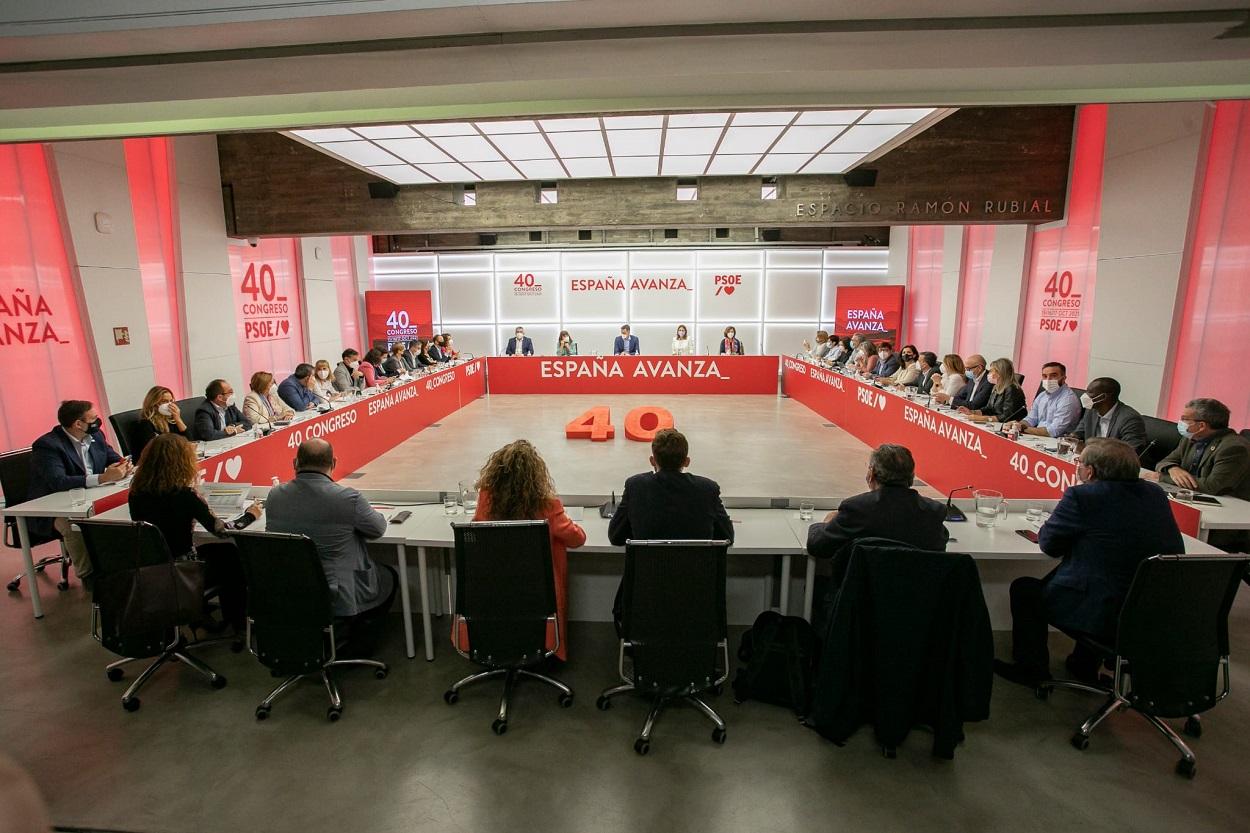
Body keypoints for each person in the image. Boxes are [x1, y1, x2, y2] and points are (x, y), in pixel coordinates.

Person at [994, 438, 1184, 687]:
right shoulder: (1155, 494)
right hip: (1151, 607)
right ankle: (1083, 665)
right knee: (1101, 578)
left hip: (1105, 608)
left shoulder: (1082, 496)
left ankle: (1031, 669)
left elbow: (1049, 545)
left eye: (1079, 462)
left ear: (1089, 471)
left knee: (1025, 589)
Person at [266, 439, 397, 658]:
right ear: (333, 463)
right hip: (336, 592)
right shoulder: (348, 498)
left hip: (291, 588)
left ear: (295, 463)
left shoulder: (274, 496)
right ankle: (356, 645)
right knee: (389, 576)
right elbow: (378, 528)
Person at [462, 440, 586, 661]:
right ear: (536, 475)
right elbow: (577, 539)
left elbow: (478, 527)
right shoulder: (549, 506)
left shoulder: (486, 500)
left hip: (495, 589)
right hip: (537, 593)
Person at [127, 433, 260, 632]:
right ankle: (237, 621)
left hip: (150, 569)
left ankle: (199, 610)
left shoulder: (135, 494)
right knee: (231, 556)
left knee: (219, 553)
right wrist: (250, 515)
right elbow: (223, 531)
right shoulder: (185, 496)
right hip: (183, 568)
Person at [607, 428, 734, 630]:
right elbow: (727, 537)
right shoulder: (708, 489)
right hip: (697, 601)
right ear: (687, 461)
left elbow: (615, 536)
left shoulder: (636, 486)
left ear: (652, 460)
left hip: (645, 600)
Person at [806, 444, 948, 588]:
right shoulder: (933, 511)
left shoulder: (856, 508)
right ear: (911, 476)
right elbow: (940, 545)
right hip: (915, 604)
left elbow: (817, 545)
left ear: (871, 473)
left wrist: (828, 522)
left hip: (859, 602)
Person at [28, 400, 133, 588]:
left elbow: (113, 458)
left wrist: (123, 466)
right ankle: (89, 578)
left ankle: (119, 566)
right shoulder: (48, 446)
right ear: (78, 424)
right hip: (53, 508)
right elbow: (58, 481)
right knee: (71, 524)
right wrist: (102, 478)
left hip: (90, 497)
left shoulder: (96, 436)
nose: (98, 422)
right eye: (94, 419)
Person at [1153, 398, 1250, 552]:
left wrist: (1163, 477)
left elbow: (1213, 486)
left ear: (1201, 425)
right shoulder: (1191, 439)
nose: (1180, 422)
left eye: (1185, 419)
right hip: (1191, 502)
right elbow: (1164, 462)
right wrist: (1173, 469)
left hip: (1224, 520)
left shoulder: (1234, 448)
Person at [1006, 361, 1081, 438]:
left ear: (1064, 378)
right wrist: (1017, 425)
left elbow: (1053, 431)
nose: (1048, 379)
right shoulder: (1042, 395)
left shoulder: (1068, 399)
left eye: (1053, 375)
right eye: (1045, 376)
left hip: (1057, 442)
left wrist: (1022, 429)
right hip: (1038, 437)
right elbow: (1031, 419)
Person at [1072, 377, 1148, 451]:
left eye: (1090, 392)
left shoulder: (1130, 419)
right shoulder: (1091, 411)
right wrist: (1072, 438)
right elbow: (1079, 433)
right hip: (1090, 460)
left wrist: (1089, 451)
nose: (1085, 395)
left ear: (1104, 397)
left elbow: (1129, 452)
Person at [132, 385, 191, 461]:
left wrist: (178, 419)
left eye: (171, 401)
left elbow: (189, 440)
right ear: (154, 403)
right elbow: (153, 452)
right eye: (164, 401)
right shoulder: (144, 424)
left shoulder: (171, 419)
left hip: (173, 458)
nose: (169, 404)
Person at [962, 358, 1027, 424]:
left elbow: (1007, 416)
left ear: (1000, 373)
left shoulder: (1012, 389)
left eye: (991, 371)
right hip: (996, 424)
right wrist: (973, 412)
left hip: (1010, 427)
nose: (988, 374)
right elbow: (989, 409)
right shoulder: (996, 387)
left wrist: (983, 418)